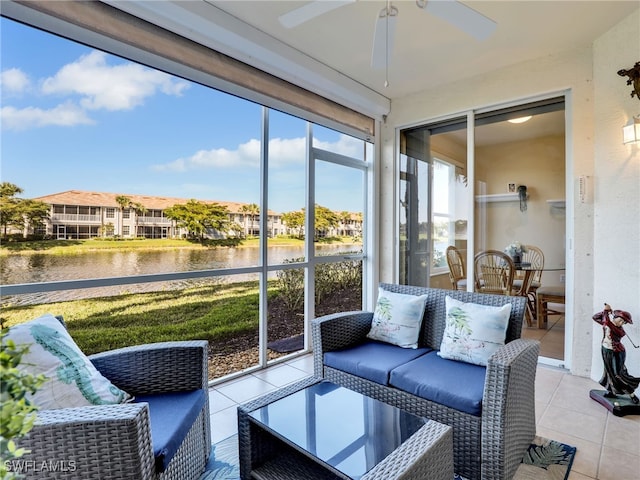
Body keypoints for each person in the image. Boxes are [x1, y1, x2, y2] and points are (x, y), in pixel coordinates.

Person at [592, 304, 639, 404]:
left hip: (617, 352)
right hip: (605, 349)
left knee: (618, 374)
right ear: (616, 316)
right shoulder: (608, 323)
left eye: (624, 322)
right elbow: (595, 317)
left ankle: (631, 393)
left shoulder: (620, 331)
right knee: (608, 372)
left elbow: (607, 322)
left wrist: (606, 311)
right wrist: (606, 312)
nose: (622, 323)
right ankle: (612, 392)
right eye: (621, 320)